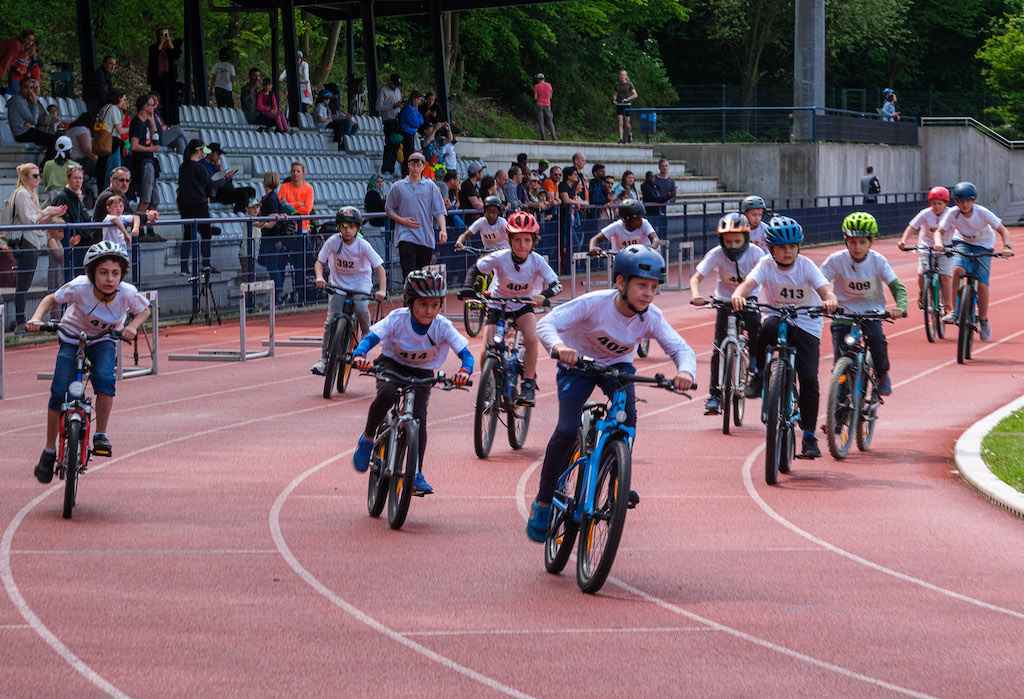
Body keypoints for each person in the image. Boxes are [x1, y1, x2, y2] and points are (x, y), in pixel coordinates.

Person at [526, 244, 696, 541]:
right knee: (566, 430)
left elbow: (679, 347)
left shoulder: (651, 316)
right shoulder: (594, 303)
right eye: (641, 285)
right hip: (577, 364)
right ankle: (543, 500)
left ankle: (618, 478)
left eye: (654, 287)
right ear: (621, 283)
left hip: (617, 368)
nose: (648, 293)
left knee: (627, 421)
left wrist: (685, 372)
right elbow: (547, 323)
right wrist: (560, 347)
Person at [27, 242, 151, 481]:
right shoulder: (79, 287)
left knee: (104, 379)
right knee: (58, 391)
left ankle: (101, 434)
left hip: (104, 339)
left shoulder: (127, 292)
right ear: (92, 273)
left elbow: (143, 311)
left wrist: (131, 327)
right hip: (72, 336)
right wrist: (36, 318)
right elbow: (50, 299)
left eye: (115, 273)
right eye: (103, 272)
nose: (109, 279)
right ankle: (49, 450)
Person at [350, 270, 473, 495]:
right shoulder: (398, 319)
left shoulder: (442, 326)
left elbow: (466, 353)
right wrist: (359, 355)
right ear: (410, 302)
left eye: (435, 305)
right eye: (423, 304)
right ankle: (368, 438)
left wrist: (464, 371)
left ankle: (416, 472)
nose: (429, 311)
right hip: (392, 365)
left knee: (419, 419)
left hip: (423, 373)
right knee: (387, 394)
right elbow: (371, 338)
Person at [731, 216, 838, 459]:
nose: (787, 252)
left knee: (809, 378)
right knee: (763, 327)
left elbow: (824, 290)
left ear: (799, 247)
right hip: (776, 316)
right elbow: (748, 284)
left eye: (792, 246)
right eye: (781, 247)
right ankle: (758, 374)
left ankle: (809, 436)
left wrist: (829, 300)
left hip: (806, 322)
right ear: (771, 249)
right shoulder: (766, 264)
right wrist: (738, 294)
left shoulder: (806, 265)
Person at [465, 211, 562, 406]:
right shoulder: (500, 257)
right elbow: (476, 268)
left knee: (532, 338)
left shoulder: (537, 261)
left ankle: (527, 383)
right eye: (517, 240)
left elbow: (556, 284)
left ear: (533, 241)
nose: (522, 245)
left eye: (527, 240)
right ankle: (489, 383)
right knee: (486, 350)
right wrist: (468, 288)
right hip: (497, 304)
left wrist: (543, 296)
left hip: (523, 305)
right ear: (509, 240)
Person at [820, 212, 907, 397]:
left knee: (876, 339)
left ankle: (883, 375)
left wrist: (901, 306)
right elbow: (818, 282)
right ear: (845, 240)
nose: (857, 247)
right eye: (852, 242)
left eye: (862, 242)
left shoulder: (878, 261)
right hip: (843, 314)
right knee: (840, 360)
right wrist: (823, 300)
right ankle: (837, 413)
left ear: (871, 242)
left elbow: (897, 288)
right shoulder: (836, 260)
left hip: (871, 312)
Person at [691, 212, 766, 412]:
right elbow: (696, 278)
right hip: (724, 301)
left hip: (749, 299)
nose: (732, 245)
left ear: (747, 238)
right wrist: (696, 294)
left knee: (756, 327)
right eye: (728, 241)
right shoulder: (716, 253)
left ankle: (755, 364)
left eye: (737, 240)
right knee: (719, 346)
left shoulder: (757, 254)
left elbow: (770, 275)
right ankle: (714, 395)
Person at [310, 206, 388, 375]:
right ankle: (324, 359)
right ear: (338, 227)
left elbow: (380, 269)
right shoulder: (332, 242)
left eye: (352, 226)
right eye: (344, 226)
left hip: (360, 285)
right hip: (338, 285)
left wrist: (382, 290)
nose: (347, 230)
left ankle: (365, 343)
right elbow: (319, 262)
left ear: (358, 228)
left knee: (361, 311)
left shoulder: (363, 245)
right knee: (331, 320)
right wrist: (319, 277)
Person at [935, 182, 1014, 340]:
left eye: (968, 201)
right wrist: (938, 243)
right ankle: (954, 311)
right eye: (961, 201)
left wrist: (1007, 246)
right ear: (956, 202)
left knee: (983, 284)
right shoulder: (952, 213)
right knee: (957, 270)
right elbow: (939, 231)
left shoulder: (983, 213)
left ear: (974, 201)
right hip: (962, 243)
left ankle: (983, 320)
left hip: (984, 246)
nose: (964, 204)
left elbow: (1003, 231)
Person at [3, 163, 67, 331]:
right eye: (34, 176)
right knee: (23, 284)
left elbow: (37, 221)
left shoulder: (30, 194)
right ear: (25, 178)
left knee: (25, 283)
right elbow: (29, 220)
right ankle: (20, 322)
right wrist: (47, 211)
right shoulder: (23, 194)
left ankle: (21, 321)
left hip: (31, 241)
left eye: (39, 175)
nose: (38, 178)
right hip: (26, 242)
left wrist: (51, 213)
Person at [386, 151, 447, 280]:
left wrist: (443, 229)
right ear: (408, 165)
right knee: (408, 274)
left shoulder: (431, 187)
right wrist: (402, 220)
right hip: (405, 235)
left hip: (425, 237)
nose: (415, 168)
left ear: (423, 166)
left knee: (421, 275)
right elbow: (389, 209)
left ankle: (418, 299)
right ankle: (408, 299)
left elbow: (439, 211)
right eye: (413, 164)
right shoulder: (398, 186)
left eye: (418, 165)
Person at [178, 139, 234, 273]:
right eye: (203, 151)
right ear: (198, 151)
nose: (204, 154)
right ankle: (206, 264)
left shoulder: (183, 166)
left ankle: (184, 267)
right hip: (199, 204)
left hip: (185, 205)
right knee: (206, 234)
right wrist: (225, 178)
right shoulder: (199, 167)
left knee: (187, 235)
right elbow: (212, 184)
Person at [899, 186, 953, 312]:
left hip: (946, 248)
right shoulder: (925, 214)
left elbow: (958, 230)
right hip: (926, 248)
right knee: (921, 274)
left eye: (940, 203)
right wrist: (903, 240)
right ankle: (923, 293)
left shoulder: (951, 215)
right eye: (934, 203)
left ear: (946, 204)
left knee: (945, 277)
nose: (937, 206)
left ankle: (948, 306)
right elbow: (912, 227)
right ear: (930, 203)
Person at [128, 94, 165, 242]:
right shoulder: (137, 123)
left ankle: (150, 228)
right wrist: (150, 150)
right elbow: (134, 145)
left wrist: (151, 120)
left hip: (150, 162)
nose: (154, 107)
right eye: (151, 105)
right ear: (145, 106)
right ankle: (139, 229)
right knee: (145, 198)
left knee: (154, 199)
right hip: (143, 163)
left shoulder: (146, 122)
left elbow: (154, 135)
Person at [278, 161, 315, 303]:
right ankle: (280, 295)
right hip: (286, 232)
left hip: (302, 231)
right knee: (281, 264)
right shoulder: (285, 186)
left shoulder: (309, 189)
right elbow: (281, 205)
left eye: (298, 171)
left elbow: (307, 210)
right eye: (293, 171)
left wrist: (290, 207)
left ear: (303, 173)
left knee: (300, 266)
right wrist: (297, 205)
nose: (295, 174)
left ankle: (301, 297)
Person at [51, 165, 90, 273]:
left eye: (80, 178)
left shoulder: (80, 197)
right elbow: (58, 222)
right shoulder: (62, 197)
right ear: (68, 179)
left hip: (84, 243)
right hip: (72, 245)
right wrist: (69, 242)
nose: (78, 181)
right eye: (75, 178)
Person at [588, 198, 660, 256]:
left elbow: (655, 239)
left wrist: (652, 247)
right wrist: (593, 248)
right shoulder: (617, 226)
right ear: (626, 219)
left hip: (642, 260)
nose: (640, 221)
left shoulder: (644, 223)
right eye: (636, 219)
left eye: (640, 217)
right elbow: (595, 239)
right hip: (622, 263)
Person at [258, 171, 289, 304]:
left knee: (272, 265)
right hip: (267, 237)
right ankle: (278, 291)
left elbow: (275, 220)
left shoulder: (271, 199)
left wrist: (276, 239)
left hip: (271, 238)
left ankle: (279, 291)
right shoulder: (268, 197)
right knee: (267, 263)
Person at [7, 78, 57, 159]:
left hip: (27, 130)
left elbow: (32, 120)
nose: (29, 90)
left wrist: (30, 121)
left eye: (31, 88)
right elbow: (34, 120)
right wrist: (34, 103)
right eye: (26, 87)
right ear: (20, 88)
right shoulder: (17, 101)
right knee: (55, 140)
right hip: (22, 133)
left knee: (56, 139)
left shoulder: (23, 100)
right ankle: (44, 166)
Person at [200, 143, 255, 214]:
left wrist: (220, 169)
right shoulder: (202, 165)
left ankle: (249, 213)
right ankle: (239, 215)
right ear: (210, 153)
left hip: (225, 190)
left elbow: (219, 177)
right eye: (217, 154)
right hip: (216, 194)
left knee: (251, 191)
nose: (219, 157)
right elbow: (210, 182)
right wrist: (226, 177)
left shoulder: (214, 165)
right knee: (243, 194)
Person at [94, 89, 130, 187]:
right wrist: (131, 128)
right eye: (124, 99)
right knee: (113, 172)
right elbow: (120, 131)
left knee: (104, 170)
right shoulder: (114, 109)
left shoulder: (105, 108)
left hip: (103, 143)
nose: (125, 102)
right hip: (112, 143)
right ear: (118, 98)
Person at [148, 29, 181, 124]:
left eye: (165, 34)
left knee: (170, 101)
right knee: (158, 99)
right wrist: (161, 43)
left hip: (169, 80)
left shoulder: (169, 50)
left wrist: (169, 42)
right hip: (158, 79)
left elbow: (176, 55)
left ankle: (169, 122)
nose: (164, 36)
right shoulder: (153, 48)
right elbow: (154, 55)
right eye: (161, 35)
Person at [558, 166, 586, 269]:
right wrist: (580, 202)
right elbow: (566, 200)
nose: (576, 176)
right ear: (569, 176)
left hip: (571, 219)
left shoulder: (573, 186)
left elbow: (573, 200)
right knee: (568, 243)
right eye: (574, 174)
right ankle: (567, 267)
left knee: (574, 243)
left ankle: (571, 266)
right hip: (563, 219)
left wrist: (577, 203)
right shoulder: (563, 186)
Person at [377, 73, 403, 175]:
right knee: (390, 143)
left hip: (397, 118)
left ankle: (392, 166)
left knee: (396, 145)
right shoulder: (383, 91)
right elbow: (378, 107)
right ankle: (386, 167)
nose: (396, 87)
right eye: (395, 84)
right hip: (388, 119)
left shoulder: (397, 91)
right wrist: (393, 106)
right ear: (390, 82)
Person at [397, 91, 425, 176]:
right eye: (419, 99)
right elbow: (416, 122)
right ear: (414, 98)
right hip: (407, 133)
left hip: (411, 132)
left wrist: (416, 121)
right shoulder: (408, 107)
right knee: (408, 154)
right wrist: (415, 121)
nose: (419, 102)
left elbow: (421, 120)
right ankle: (405, 172)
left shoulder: (414, 108)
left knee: (410, 153)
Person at [5, 30, 41, 95]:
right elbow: (10, 63)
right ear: (23, 39)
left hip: (23, 79)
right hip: (14, 77)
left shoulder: (29, 55)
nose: (30, 42)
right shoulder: (18, 50)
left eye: (32, 40)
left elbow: (29, 66)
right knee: (14, 94)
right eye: (28, 39)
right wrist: (18, 70)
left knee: (22, 95)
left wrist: (29, 72)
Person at [65, 113, 99, 179]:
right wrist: (98, 159)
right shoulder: (82, 130)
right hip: (78, 161)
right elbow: (86, 151)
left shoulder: (73, 129)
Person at [613, 69, 638, 144]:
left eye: (624, 75)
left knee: (627, 123)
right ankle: (621, 138)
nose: (622, 76)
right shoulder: (617, 85)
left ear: (626, 76)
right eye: (621, 75)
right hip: (620, 105)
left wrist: (627, 99)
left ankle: (629, 134)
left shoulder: (629, 84)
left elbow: (635, 95)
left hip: (627, 105)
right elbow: (614, 94)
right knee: (620, 122)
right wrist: (614, 100)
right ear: (619, 76)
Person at [534, 73, 555, 140]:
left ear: (538, 79)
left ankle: (543, 137)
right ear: (544, 78)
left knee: (541, 121)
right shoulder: (549, 85)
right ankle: (554, 137)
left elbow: (535, 97)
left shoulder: (536, 86)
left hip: (539, 105)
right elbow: (550, 96)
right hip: (547, 105)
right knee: (550, 121)